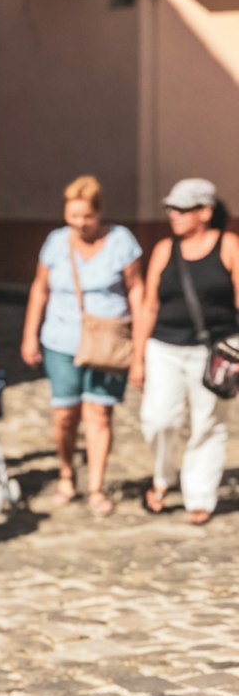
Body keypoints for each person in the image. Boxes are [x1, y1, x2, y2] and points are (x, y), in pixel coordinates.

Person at [20, 175, 143, 516]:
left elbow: (137, 290)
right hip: (61, 340)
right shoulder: (56, 242)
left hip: (107, 341)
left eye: (86, 217)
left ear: (99, 213)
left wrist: (139, 343)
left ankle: (96, 486)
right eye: (72, 216)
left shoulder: (122, 241)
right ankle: (66, 472)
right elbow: (39, 288)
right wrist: (30, 334)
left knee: (99, 413)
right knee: (64, 415)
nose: (79, 223)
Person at [134, 178, 239, 526]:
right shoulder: (165, 249)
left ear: (205, 212)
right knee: (159, 419)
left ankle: (199, 495)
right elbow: (149, 305)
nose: (173, 214)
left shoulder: (229, 246)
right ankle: (162, 476)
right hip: (164, 347)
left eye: (182, 209)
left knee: (208, 423)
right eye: (171, 208)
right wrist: (137, 357)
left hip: (215, 352)